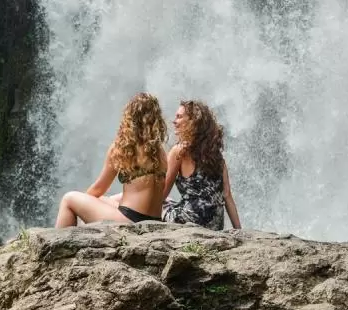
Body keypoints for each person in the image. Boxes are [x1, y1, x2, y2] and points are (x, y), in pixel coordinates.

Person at [55, 93, 168, 227]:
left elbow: (98, 189)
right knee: (103, 200)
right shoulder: (159, 151)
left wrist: (83, 206)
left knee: (69, 199)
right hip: (154, 220)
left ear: (129, 118)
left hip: (131, 221)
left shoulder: (124, 147)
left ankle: (58, 245)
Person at [162, 100, 242, 230]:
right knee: (171, 202)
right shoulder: (216, 155)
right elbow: (227, 195)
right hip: (215, 223)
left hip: (191, 220)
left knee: (157, 203)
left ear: (193, 122)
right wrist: (238, 230)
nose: (174, 121)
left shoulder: (180, 151)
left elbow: (162, 194)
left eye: (179, 117)